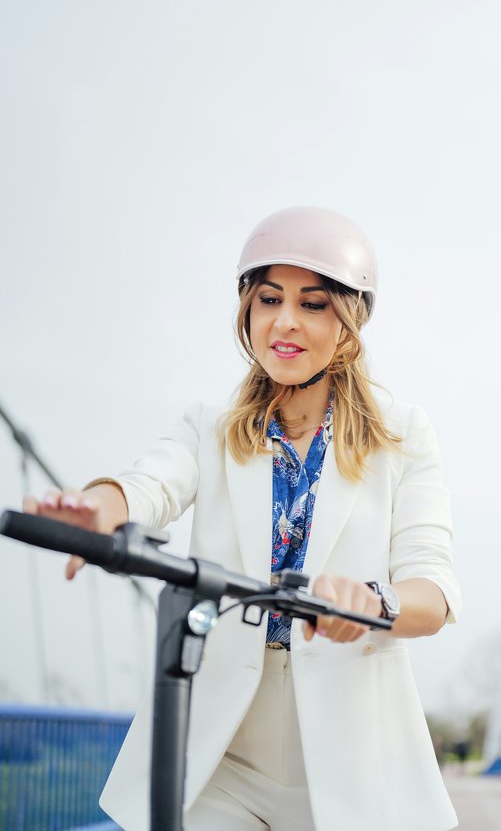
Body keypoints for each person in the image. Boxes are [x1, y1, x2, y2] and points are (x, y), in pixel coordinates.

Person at [25, 206, 462, 830]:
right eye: (268, 299)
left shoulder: (403, 436)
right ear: (246, 311)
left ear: (349, 321)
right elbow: (150, 485)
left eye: (313, 304)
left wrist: (370, 602)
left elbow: (434, 591)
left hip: (356, 761)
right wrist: (98, 509)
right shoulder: (208, 426)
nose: (284, 321)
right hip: (222, 757)